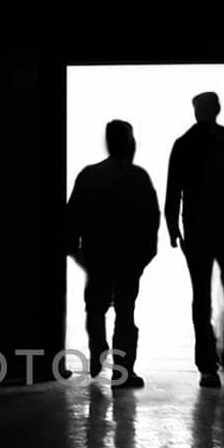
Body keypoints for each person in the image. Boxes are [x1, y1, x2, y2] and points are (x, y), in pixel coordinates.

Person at [66, 120, 160, 388]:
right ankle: (123, 371)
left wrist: (76, 251)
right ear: (130, 143)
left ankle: (98, 352)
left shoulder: (89, 175)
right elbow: (151, 219)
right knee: (125, 314)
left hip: (97, 255)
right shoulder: (138, 177)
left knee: (95, 308)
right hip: (129, 258)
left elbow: (72, 216)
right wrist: (145, 255)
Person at [165, 92, 224, 388]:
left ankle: (208, 363)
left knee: (201, 297)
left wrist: (173, 226)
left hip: (198, 228)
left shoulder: (184, 144)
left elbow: (174, 189)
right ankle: (218, 352)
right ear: (217, 109)